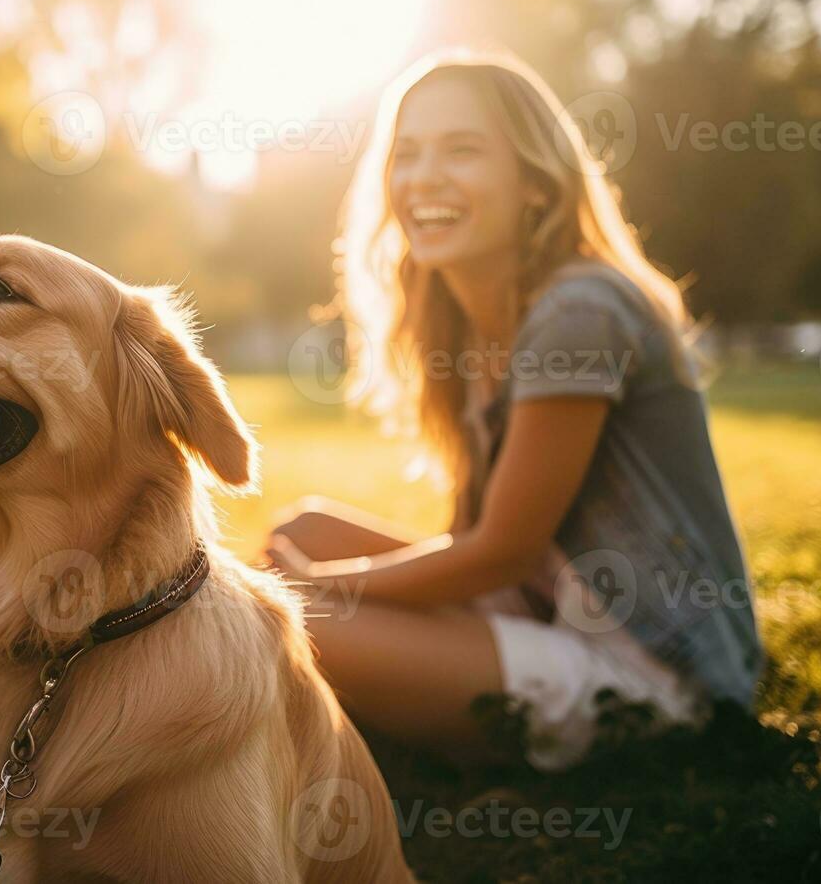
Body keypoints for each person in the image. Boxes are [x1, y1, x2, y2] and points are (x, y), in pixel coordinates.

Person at [264, 50, 761, 771]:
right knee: (300, 530)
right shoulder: (468, 329)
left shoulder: (579, 311)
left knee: (289, 617)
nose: (424, 177)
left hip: (655, 669)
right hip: (541, 614)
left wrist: (330, 588)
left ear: (535, 183)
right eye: (407, 154)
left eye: (462, 149)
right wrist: (330, 580)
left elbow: (502, 550)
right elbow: (471, 544)